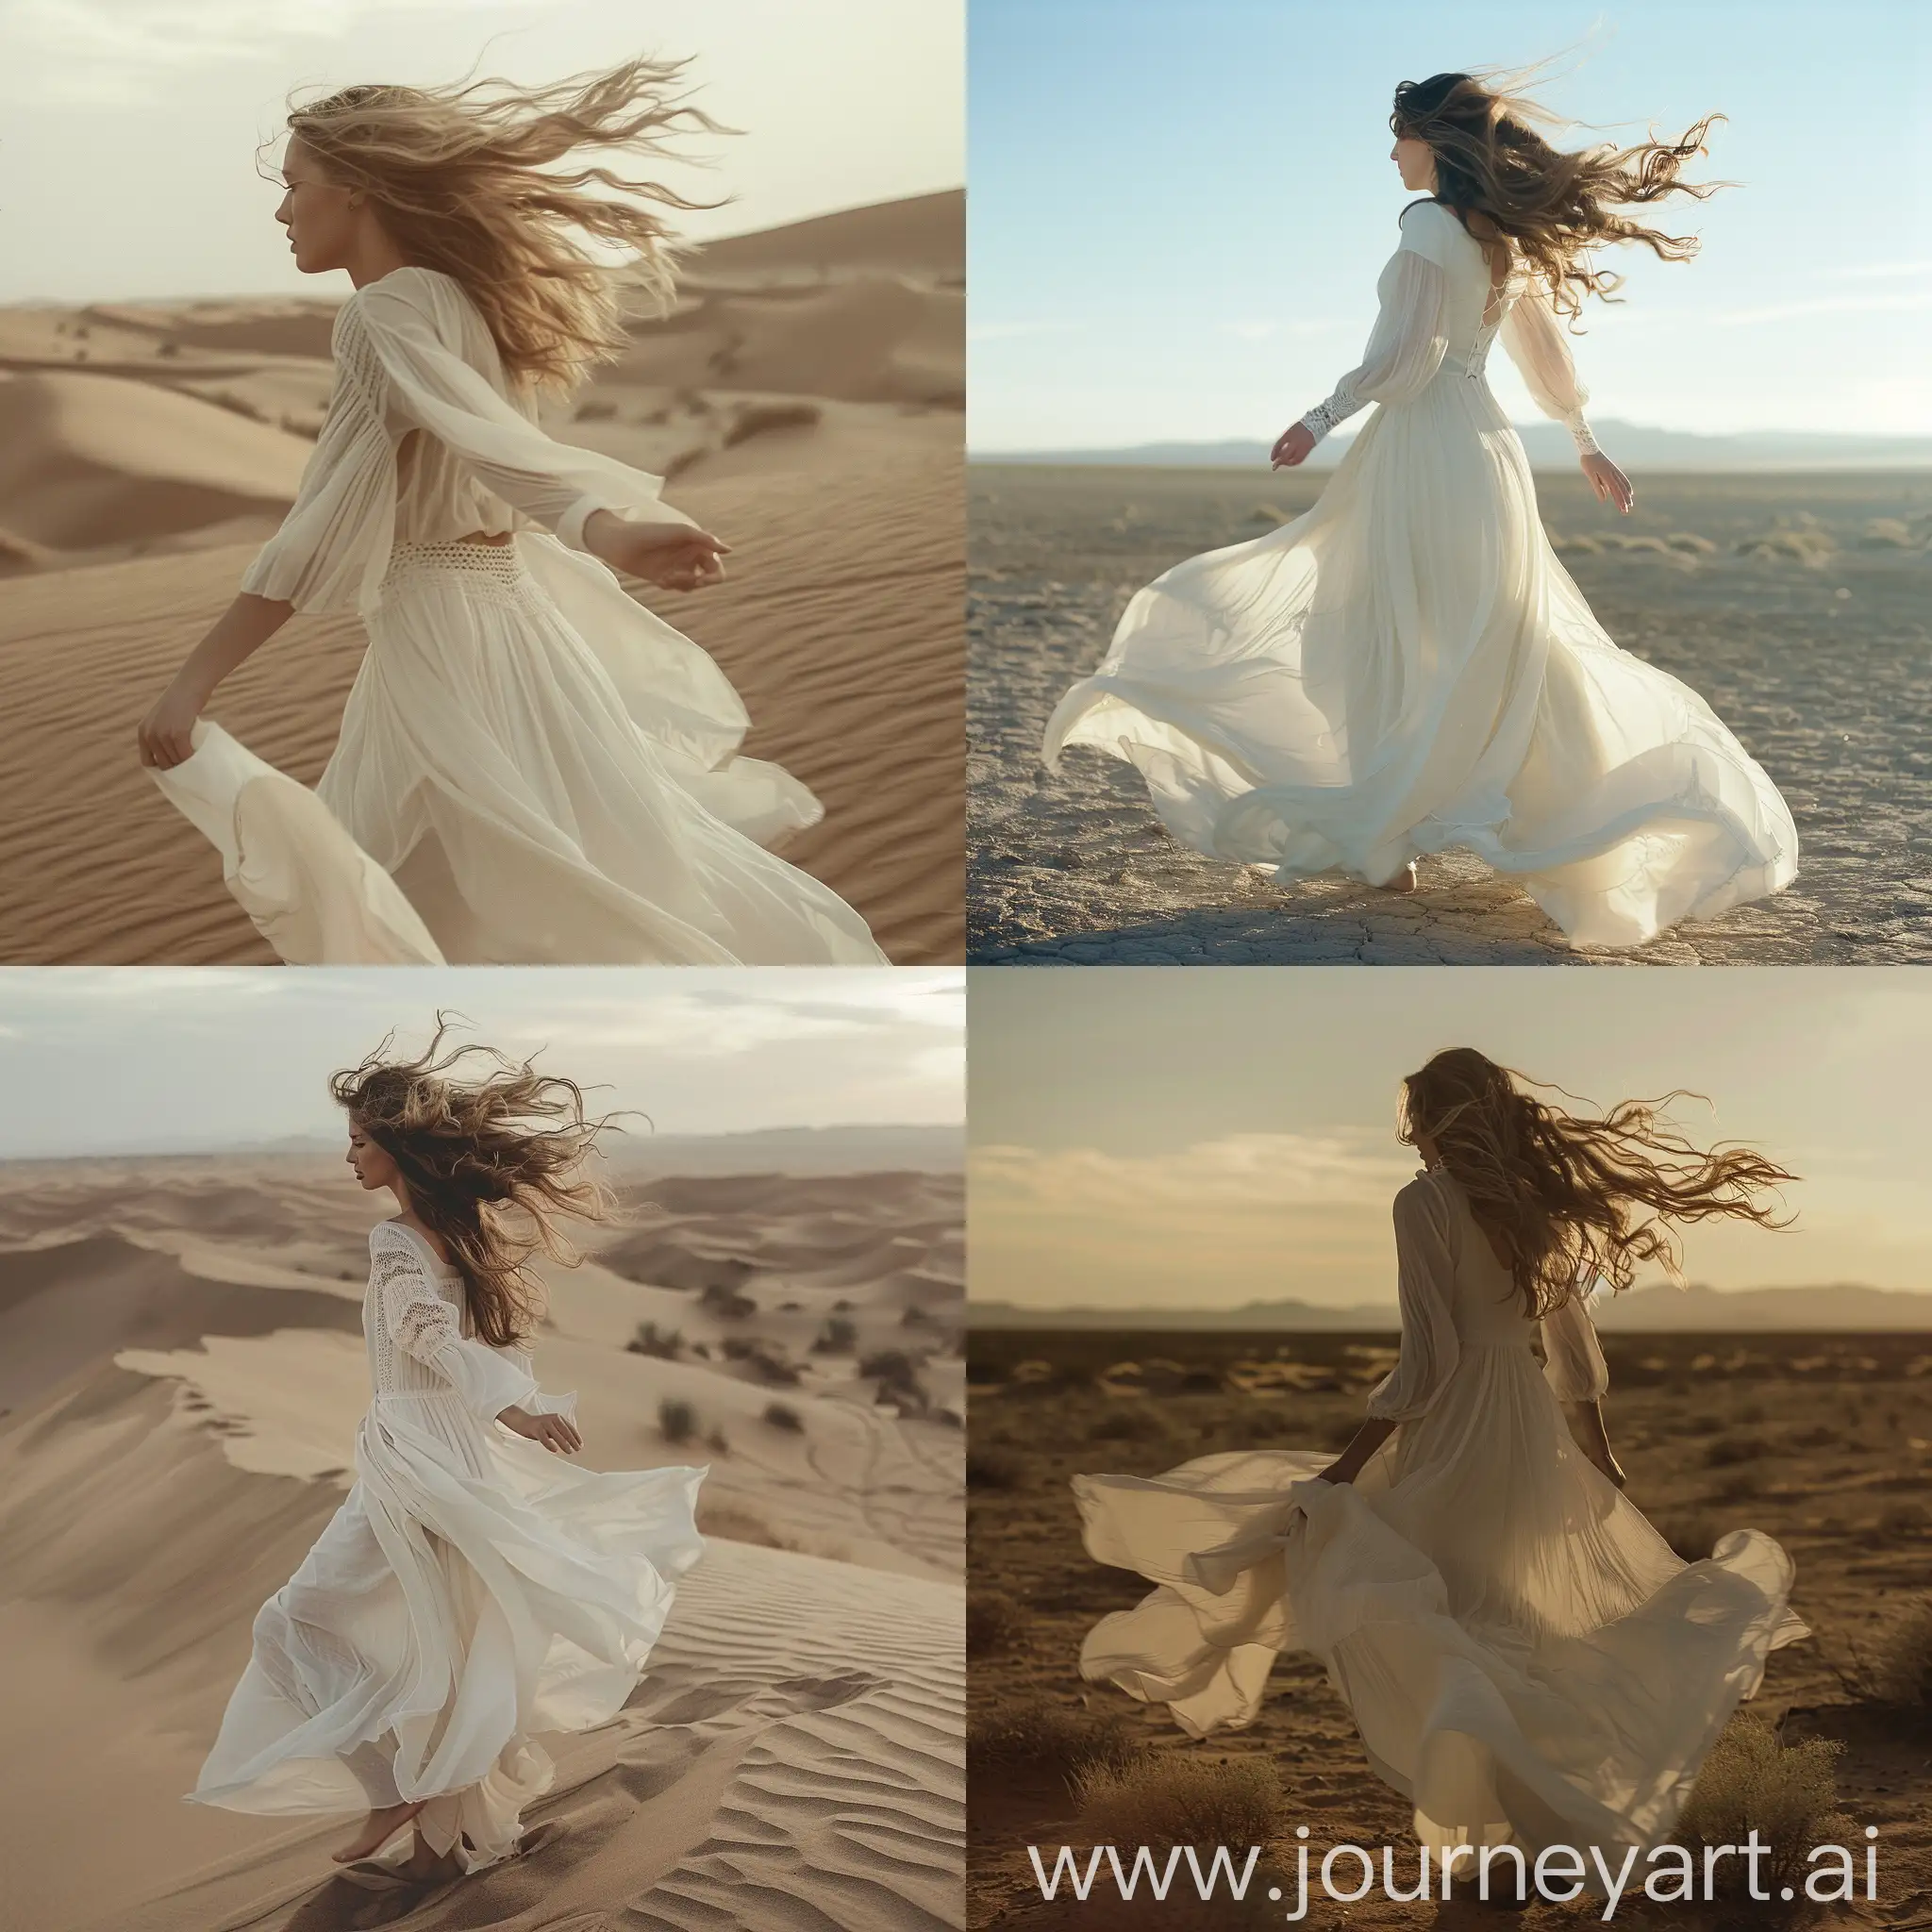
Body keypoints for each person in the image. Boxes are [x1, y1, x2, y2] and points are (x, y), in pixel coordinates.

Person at [138, 58, 887, 966]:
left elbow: (332, 522)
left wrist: (193, 683)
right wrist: (598, 527)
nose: (282, 210)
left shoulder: (382, 313)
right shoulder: (458, 300)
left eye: (297, 186)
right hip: (518, 628)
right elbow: (495, 454)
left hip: (446, 644)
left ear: (359, 191)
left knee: (405, 897)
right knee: (500, 879)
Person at [1044, 72, 1797, 950]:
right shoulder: (1499, 238)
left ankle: (1390, 843)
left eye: (1401, 135)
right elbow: (1536, 350)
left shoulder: (1426, 225)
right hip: (1489, 449)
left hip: (1423, 442)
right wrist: (1583, 437)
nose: (1392, 152)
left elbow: (1405, 356)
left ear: (1436, 144)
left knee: (1383, 626)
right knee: (1494, 634)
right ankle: (1514, 819)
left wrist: (1319, 417)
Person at [1074, 1047, 1810, 1893]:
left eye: (1415, 1118)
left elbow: (1429, 1360)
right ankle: (1509, 1839)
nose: (1412, 1139)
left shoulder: (1423, 1203)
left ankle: (1491, 1846)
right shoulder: (1531, 1206)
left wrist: (1347, 1467)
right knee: (1511, 1622)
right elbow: (1572, 1348)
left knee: (1445, 1618)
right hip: (1529, 1429)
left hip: (1457, 1428)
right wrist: (1597, 1448)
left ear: (1437, 1118)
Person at [189, 1028, 706, 1888]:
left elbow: (425, 1338)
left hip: (420, 1458)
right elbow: (460, 1345)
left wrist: (520, 1411)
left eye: (359, 1139)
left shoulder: (398, 1242)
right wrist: (519, 1411)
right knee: (448, 1648)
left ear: (398, 1147)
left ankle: (397, 1791)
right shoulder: (459, 1239)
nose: (347, 1155)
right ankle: (436, 1849)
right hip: (451, 1454)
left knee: (292, 1620)